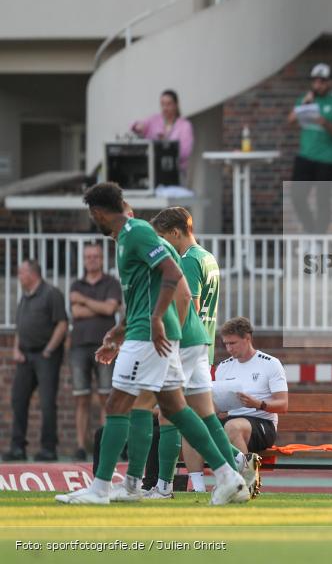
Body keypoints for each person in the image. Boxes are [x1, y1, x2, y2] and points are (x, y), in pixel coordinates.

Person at [56, 182, 249, 505]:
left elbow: (173, 275)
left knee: (118, 404)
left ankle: (100, 489)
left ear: (98, 212)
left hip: (149, 335)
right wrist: (117, 334)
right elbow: (140, 295)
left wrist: (158, 318)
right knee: (174, 408)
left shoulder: (137, 233)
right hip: (145, 331)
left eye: (93, 216)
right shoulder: (125, 239)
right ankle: (228, 477)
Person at [143, 207, 258, 499]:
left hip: (185, 347)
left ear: (176, 232)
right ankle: (236, 460)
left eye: (163, 236)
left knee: (168, 415)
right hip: (203, 347)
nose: (161, 244)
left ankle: (164, 486)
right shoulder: (208, 257)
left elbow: (189, 305)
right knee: (201, 415)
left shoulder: (189, 260)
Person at [2, 261, 67, 463]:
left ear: (32, 274)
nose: (18, 276)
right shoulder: (25, 297)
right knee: (18, 400)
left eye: (21, 272)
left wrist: (48, 349)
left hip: (46, 357)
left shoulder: (51, 293)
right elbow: (21, 326)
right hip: (25, 357)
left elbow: (62, 324)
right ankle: (17, 447)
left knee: (47, 403)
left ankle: (48, 449)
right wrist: (15, 348)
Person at [69, 243, 122, 461]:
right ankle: (81, 446)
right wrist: (97, 306)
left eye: (95, 256)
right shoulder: (76, 283)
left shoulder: (112, 283)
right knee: (81, 398)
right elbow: (75, 311)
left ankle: (104, 443)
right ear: (83, 260)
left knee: (105, 396)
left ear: (102, 259)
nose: (91, 260)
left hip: (105, 346)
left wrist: (85, 302)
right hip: (79, 346)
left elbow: (110, 309)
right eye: (88, 256)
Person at [288, 63, 332, 234]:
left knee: (322, 200)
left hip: (327, 159)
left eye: (322, 81)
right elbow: (290, 120)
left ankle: (319, 239)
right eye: (315, 81)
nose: (318, 85)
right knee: (297, 197)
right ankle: (311, 232)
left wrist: (324, 122)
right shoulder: (306, 98)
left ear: (330, 82)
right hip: (305, 155)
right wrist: (304, 105)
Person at [215, 317, 288, 456]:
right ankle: (195, 477)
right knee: (195, 427)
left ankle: (246, 476)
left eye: (233, 343)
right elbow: (219, 407)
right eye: (226, 344)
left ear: (247, 338)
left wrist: (258, 404)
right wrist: (217, 409)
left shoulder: (271, 363)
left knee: (232, 427)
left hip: (262, 423)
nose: (229, 348)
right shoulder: (223, 367)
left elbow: (283, 405)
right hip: (231, 420)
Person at [131, 89, 194, 183]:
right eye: (162, 104)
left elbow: (185, 152)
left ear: (176, 105)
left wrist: (165, 144)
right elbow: (138, 126)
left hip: (176, 173)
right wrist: (137, 126)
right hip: (152, 171)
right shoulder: (154, 120)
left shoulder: (184, 125)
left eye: (169, 104)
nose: (165, 108)